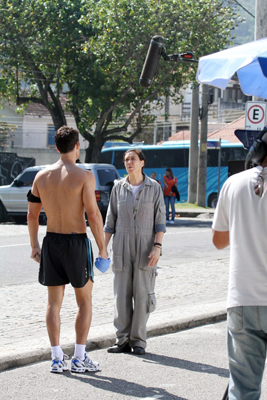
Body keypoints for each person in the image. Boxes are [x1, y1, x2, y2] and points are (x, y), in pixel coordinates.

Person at [27, 125, 108, 374]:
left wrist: (34, 245)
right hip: (75, 242)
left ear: (55, 146)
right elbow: (93, 216)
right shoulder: (84, 176)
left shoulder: (41, 176)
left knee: (53, 304)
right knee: (85, 302)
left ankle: (56, 358)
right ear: (76, 146)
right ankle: (79, 357)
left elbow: (32, 215)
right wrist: (102, 249)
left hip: (52, 242)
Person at [212, 129, 267, 399]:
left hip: (242, 300)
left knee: (243, 389)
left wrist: (247, 223)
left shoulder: (233, 183)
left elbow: (219, 240)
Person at [104, 149, 166, 355]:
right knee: (121, 295)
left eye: (133, 159)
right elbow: (110, 221)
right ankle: (122, 339)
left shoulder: (154, 188)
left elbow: (160, 221)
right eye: (126, 160)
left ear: (142, 162)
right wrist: (103, 249)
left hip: (146, 248)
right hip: (121, 246)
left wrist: (157, 247)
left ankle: (138, 340)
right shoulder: (117, 188)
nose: (129, 162)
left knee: (142, 295)